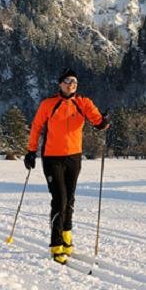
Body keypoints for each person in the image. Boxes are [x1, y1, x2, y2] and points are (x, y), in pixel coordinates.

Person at [24, 68, 110, 264]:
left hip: (74, 157)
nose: (71, 85)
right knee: (59, 200)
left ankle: (67, 238)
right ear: (60, 84)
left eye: (75, 82)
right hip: (52, 158)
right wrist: (30, 152)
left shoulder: (83, 103)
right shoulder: (48, 104)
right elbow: (36, 127)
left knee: (70, 200)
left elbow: (97, 121)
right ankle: (56, 245)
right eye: (68, 81)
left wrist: (104, 122)